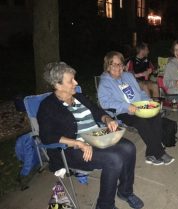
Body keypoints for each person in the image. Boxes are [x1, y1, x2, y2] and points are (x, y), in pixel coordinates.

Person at [37, 62, 144, 209]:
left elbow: (97, 111)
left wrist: (107, 119)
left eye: (74, 79)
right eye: (71, 81)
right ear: (58, 85)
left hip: (97, 137)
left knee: (129, 148)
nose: (76, 82)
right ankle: (104, 205)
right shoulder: (48, 106)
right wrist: (78, 143)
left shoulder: (79, 97)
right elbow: (46, 136)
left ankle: (125, 192)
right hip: (72, 150)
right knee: (114, 159)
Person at [98, 51, 175, 166]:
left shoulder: (128, 76)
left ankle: (150, 153)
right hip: (122, 112)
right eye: (113, 64)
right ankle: (159, 152)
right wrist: (126, 106)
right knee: (141, 121)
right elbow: (105, 103)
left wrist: (148, 101)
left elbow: (140, 93)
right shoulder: (105, 82)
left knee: (156, 115)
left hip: (139, 107)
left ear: (123, 65)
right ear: (107, 66)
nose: (117, 67)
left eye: (119, 64)